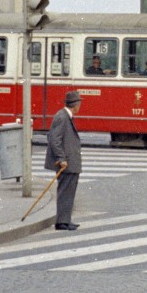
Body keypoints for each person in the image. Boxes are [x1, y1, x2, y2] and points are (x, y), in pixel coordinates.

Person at [45, 91, 83, 231]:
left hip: (70, 162)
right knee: (65, 191)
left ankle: (65, 220)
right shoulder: (62, 117)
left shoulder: (66, 116)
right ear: (76, 105)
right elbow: (55, 140)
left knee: (69, 191)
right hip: (66, 162)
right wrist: (61, 158)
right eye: (79, 103)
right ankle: (62, 221)